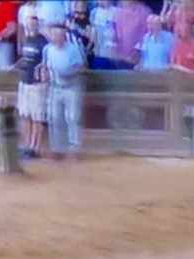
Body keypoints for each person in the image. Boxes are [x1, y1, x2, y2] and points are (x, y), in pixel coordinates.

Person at [42, 23, 86, 159]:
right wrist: (45, 75)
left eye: (58, 35)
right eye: (53, 34)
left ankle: (74, 149)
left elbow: (81, 67)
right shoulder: (47, 49)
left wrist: (68, 72)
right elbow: (44, 65)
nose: (55, 37)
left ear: (64, 36)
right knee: (54, 118)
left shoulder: (73, 49)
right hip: (55, 87)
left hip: (71, 87)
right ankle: (57, 148)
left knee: (72, 118)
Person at [16, 14, 47, 158]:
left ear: (37, 25)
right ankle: (27, 145)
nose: (31, 26)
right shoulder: (27, 39)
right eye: (29, 24)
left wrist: (42, 78)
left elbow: (46, 63)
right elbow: (24, 59)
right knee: (25, 115)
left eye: (34, 24)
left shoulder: (43, 42)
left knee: (37, 117)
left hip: (37, 85)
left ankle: (36, 148)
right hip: (24, 82)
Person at [115, 0, 153, 68]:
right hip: (122, 56)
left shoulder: (145, 12)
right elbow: (118, 35)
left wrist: (138, 51)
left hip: (139, 57)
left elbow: (147, 34)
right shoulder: (120, 12)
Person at [89, 0, 120, 69]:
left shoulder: (117, 12)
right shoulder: (94, 12)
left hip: (113, 54)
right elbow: (93, 32)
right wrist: (94, 48)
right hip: (100, 54)